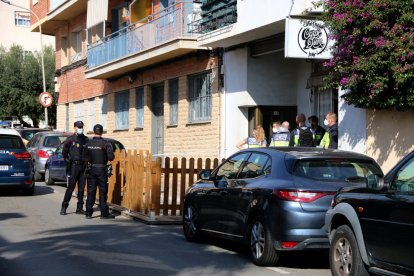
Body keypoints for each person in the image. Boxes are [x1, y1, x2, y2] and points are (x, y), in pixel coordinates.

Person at [83, 124, 115, 219]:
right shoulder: (106, 143)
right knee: (102, 192)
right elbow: (111, 157)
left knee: (91, 191)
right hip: (102, 170)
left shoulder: (88, 144)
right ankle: (103, 213)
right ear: (102, 131)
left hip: (91, 169)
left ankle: (88, 213)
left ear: (94, 131)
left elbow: (84, 157)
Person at [60, 121, 89, 215]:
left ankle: (79, 208)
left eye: (82, 127)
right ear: (75, 128)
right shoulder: (70, 139)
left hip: (83, 166)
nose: (81, 128)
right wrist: (69, 161)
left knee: (81, 188)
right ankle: (64, 207)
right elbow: (64, 153)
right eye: (79, 127)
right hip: (74, 166)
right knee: (71, 187)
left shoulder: (86, 139)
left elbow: (88, 152)